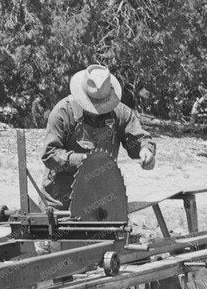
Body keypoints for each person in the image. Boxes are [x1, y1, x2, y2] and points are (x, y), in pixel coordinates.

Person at [40, 64, 155, 208]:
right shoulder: (63, 112)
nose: (96, 110)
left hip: (101, 201)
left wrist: (145, 150)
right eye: (91, 105)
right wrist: (82, 160)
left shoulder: (120, 113)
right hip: (61, 201)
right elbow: (49, 155)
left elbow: (138, 140)